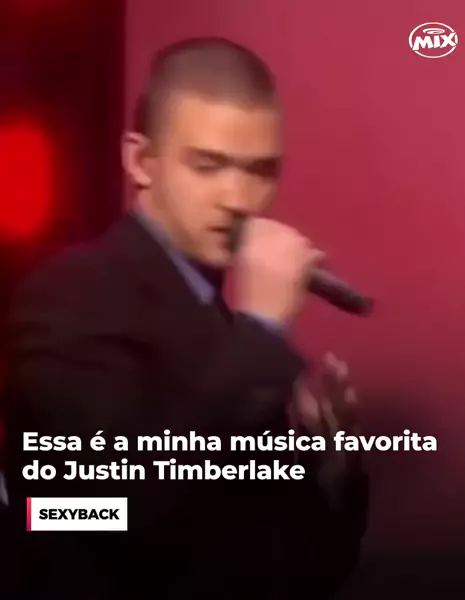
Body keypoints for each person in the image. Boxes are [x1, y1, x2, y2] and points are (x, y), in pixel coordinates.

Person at [3, 37, 368, 599]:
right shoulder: (68, 296)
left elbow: (286, 563)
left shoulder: (226, 332)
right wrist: (261, 330)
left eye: (260, 171)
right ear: (139, 161)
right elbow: (104, 510)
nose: (238, 198)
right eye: (207, 165)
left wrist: (329, 468)